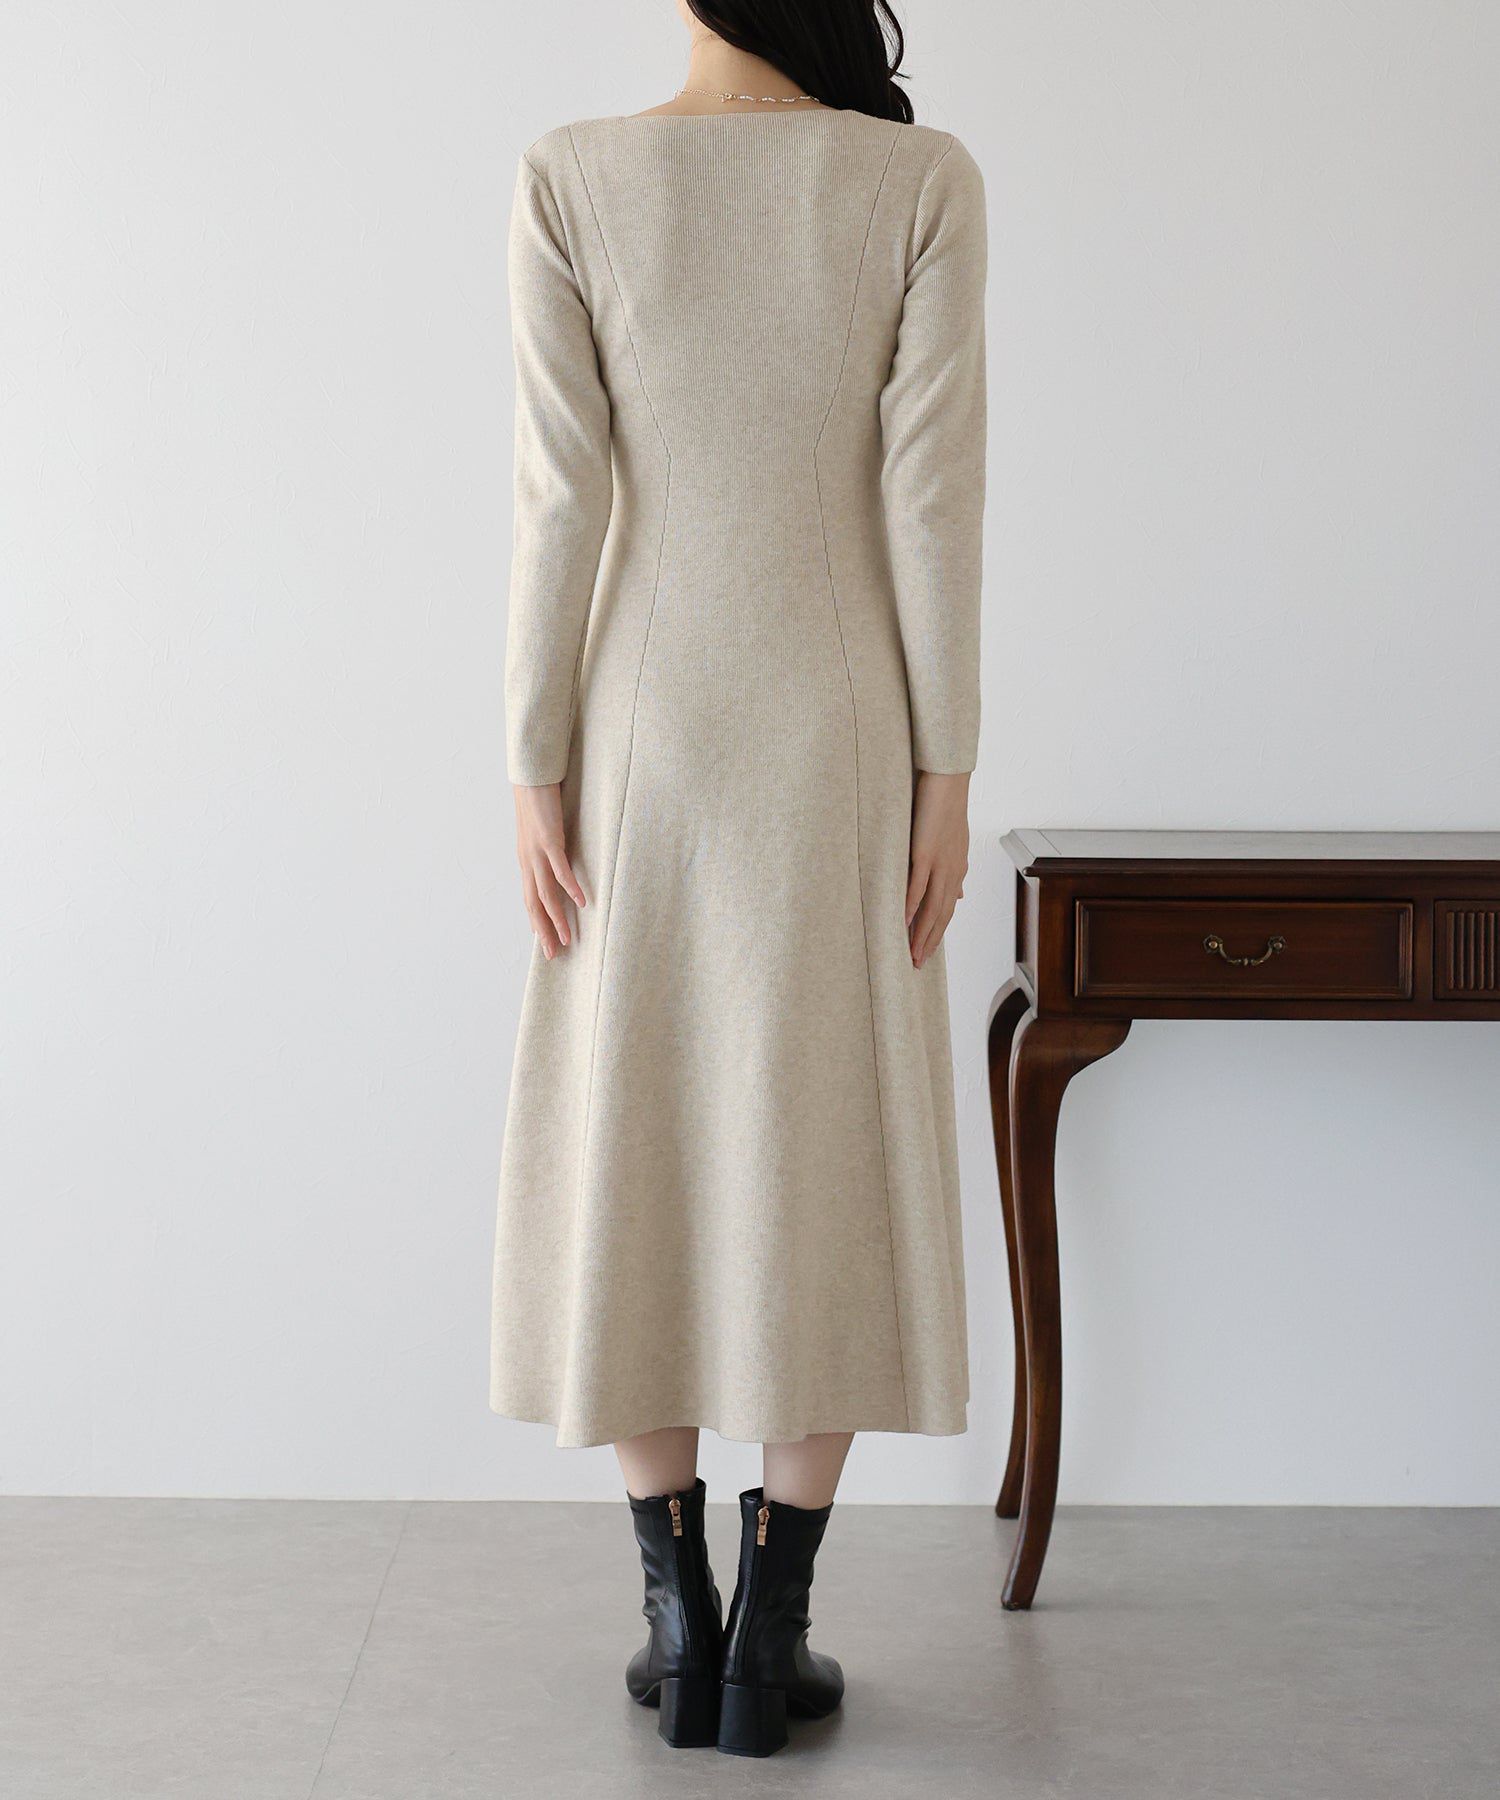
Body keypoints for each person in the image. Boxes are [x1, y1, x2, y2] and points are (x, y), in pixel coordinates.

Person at [492, 0, 986, 1758]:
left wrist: (533, 760)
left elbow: (561, 498)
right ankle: (772, 1640)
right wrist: (946, 767)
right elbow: (930, 500)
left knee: (636, 1127)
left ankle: (675, 1616)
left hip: (640, 726)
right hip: (842, 728)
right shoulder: (918, 181)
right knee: (817, 1136)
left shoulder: (573, 176)